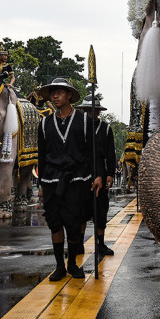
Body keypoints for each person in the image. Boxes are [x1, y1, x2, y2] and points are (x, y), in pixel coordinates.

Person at [37, 78, 94, 281]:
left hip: (76, 179)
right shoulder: (44, 124)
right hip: (51, 180)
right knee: (55, 223)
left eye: (59, 92)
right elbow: (41, 156)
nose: (55, 96)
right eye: (53, 92)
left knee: (73, 223)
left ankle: (72, 263)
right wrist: (41, 183)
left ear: (69, 95)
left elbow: (91, 152)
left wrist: (96, 176)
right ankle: (59, 266)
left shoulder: (84, 121)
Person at [75, 94, 117, 257]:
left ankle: (100, 244)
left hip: (100, 170)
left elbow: (110, 154)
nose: (88, 114)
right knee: (80, 211)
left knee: (100, 211)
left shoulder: (106, 128)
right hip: (81, 173)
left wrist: (110, 174)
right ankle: (78, 243)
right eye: (86, 111)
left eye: (91, 111)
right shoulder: (78, 128)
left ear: (97, 112)